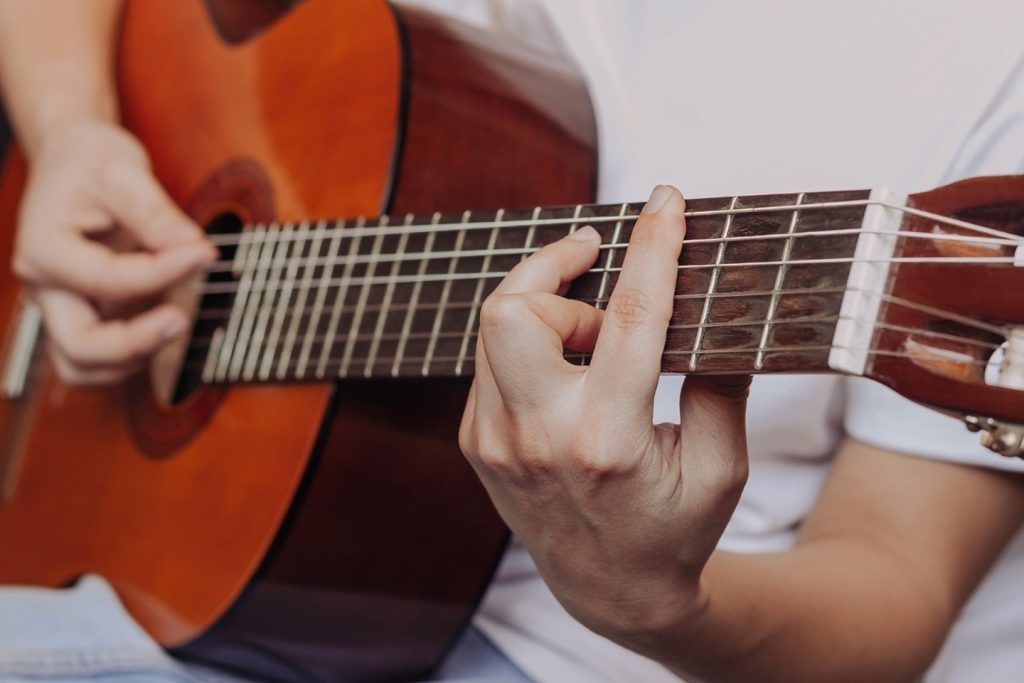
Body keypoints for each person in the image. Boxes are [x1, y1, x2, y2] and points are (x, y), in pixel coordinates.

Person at [1, 1, 1024, 682]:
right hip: (212, 565)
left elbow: (894, 582)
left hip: (563, 653)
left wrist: (656, 605)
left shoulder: (991, 70)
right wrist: (69, 129)